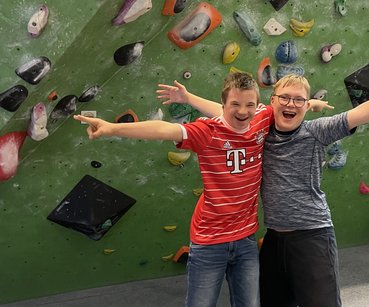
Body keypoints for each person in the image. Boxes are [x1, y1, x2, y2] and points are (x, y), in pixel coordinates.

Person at [158, 71, 369, 307]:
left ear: (305, 106)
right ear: (271, 103)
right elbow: (230, 112)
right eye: (285, 98)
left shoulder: (316, 131)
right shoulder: (257, 131)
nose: (291, 104)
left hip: (312, 234)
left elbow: (365, 112)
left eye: (299, 100)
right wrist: (191, 98)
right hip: (274, 239)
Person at [74, 72, 275, 307]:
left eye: (249, 105)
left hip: (245, 239)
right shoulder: (208, 132)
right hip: (210, 242)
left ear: (257, 105)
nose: (243, 111)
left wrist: (310, 103)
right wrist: (112, 128)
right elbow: (163, 129)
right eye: (235, 105)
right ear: (224, 105)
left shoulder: (261, 118)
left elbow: (286, 104)